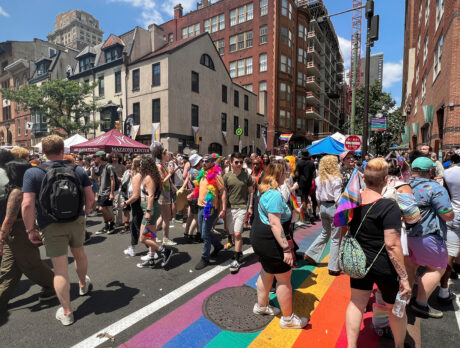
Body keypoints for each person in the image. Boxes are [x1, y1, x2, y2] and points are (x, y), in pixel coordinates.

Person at [22, 135, 94, 326]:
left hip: (50, 224)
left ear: (43, 152)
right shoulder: (77, 169)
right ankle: (83, 285)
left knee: (60, 271)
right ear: (63, 150)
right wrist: (85, 211)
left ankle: (67, 312)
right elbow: (91, 198)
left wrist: (30, 229)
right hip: (76, 220)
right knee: (80, 254)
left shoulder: (33, 173)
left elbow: (28, 204)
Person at [345, 158, 410, 348]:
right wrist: (404, 277)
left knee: (356, 303)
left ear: (364, 178)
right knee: (394, 308)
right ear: (386, 179)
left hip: (359, 262)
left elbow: (342, 227)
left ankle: (351, 346)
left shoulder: (352, 201)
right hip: (384, 265)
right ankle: (399, 345)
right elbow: (392, 245)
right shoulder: (388, 206)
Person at [251, 162, 308, 329]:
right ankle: (288, 319)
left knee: (267, 272)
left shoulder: (262, 190)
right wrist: (286, 248)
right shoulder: (275, 194)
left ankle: (261, 306)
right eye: (285, 173)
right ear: (279, 175)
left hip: (259, 238)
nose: (288, 175)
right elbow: (275, 223)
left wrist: (291, 213)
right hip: (271, 241)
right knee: (283, 279)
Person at [0, 157, 55, 314]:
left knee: (31, 265)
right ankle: (1, 299)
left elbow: (9, 218)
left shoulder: (17, 191)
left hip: (17, 231)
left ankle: (55, 285)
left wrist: (1, 237)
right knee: (9, 269)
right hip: (18, 231)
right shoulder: (23, 188)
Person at [405, 157, 454, 318]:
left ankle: (404, 299)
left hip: (405, 235)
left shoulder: (404, 185)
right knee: (437, 268)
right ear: (431, 171)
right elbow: (447, 215)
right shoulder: (435, 188)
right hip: (427, 235)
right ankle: (420, 303)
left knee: (410, 268)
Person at [124, 155, 173, 268]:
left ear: (145, 165)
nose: (140, 165)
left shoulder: (149, 177)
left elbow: (151, 195)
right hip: (150, 207)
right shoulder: (151, 175)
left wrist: (148, 211)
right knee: (151, 235)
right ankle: (151, 257)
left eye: (141, 164)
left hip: (150, 208)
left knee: (143, 238)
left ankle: (164, 250)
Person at [303, 155, 343, 275]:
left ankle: (311, 253)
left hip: (324, 207)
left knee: (325, 233)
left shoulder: (319, 179)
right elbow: (338, 199)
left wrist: (320, 210)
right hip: (334, 208)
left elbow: (317, 197)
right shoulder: (336, 179)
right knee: (335, 238)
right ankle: (333, 267)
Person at [223, 153, 254, 274]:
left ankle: (236, 258)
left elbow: (251, 192)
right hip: (230, 208)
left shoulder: (247, 176)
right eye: (237, 162)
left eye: (241, 162)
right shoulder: (226, 176)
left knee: (237, 233)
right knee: (231, 232)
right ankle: (239, 253)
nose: (239, 164)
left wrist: (250, 206)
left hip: (241, 207)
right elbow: (224, 194)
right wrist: (224, 209)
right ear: (231, 163)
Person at [194, 154, 227, 270]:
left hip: (210, 208)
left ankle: (205, 258)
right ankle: (218, 246)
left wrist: (223, 209)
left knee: (205, 234)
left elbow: (223, 192)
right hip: (200, 207)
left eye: (207, 161)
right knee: (205, 233)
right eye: (203, 161)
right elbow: (200, 188)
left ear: (212, 162)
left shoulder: (216, 175)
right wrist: (192, 194)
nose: (204, 163)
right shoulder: (202, 174)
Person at [440, 153, 460, 303]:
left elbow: (445, 194)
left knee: (450, 252)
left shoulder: (448, 173)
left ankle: (443, 290)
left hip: (454, 214)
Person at [153, 145, 177, 246]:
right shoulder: (159, 166)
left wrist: (172, 172)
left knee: (163, 217)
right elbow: (161, 181)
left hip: (165, 193)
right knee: (166, 217)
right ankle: (165, 238)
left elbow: (167, 180)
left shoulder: (163, 164)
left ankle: (152, 235)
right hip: (163, 194)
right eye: (167, 154)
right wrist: (170, 173)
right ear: (162, 155)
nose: (169, 155)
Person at [94, 151, 116, 234]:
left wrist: (111, 193)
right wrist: (93, 168)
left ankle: (112, 223)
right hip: (100, 191)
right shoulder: (100, 167)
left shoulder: (109, 166)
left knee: (101, 208)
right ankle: (107, 225)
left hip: (106, 191)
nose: (95, 158)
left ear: (101, 157)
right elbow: (95, 177)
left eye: (96, 156)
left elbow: (112, 180)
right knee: (103, 210)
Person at [184, 154, 203, 243]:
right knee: (197, 218)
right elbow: (199, 185)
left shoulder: (190, 171)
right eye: (201, 161)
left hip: (192, 196)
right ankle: (191, 234)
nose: (202, 163)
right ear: (197, 163)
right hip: (195, 196)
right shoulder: (196, 172)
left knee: (191, 215)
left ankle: (186, 232)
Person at [295, 149, 315, 222]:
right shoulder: (311, 163)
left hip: (301, 182)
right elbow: (313, 174)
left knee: (303, 198)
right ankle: (310, 211)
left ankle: (306, 215)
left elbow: (296, 173)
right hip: (309, 182)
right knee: (307, 197)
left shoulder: (299, 163)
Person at [109, 152, 126, 228]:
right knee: (111, 205)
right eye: (113, 157)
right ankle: (112, 221)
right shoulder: (109, 166)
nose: (114, 159)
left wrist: (119, 178)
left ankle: (118, 221)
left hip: (119, 187)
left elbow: (125, 177)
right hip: (109, 187)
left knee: (117, 204)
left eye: (116, 157)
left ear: (119, 158)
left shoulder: (122, 166)